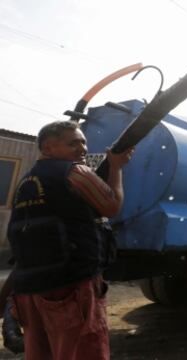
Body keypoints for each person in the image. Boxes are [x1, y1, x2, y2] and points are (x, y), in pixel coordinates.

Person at [6, 120, 133, 359]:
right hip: (71, 287)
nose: (83, 148)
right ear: (48, 147)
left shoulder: (27, 181)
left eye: (84, 142)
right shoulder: (75, 171)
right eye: (73, 143)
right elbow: (112, 206)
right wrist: (116, 167)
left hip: (31, 291)